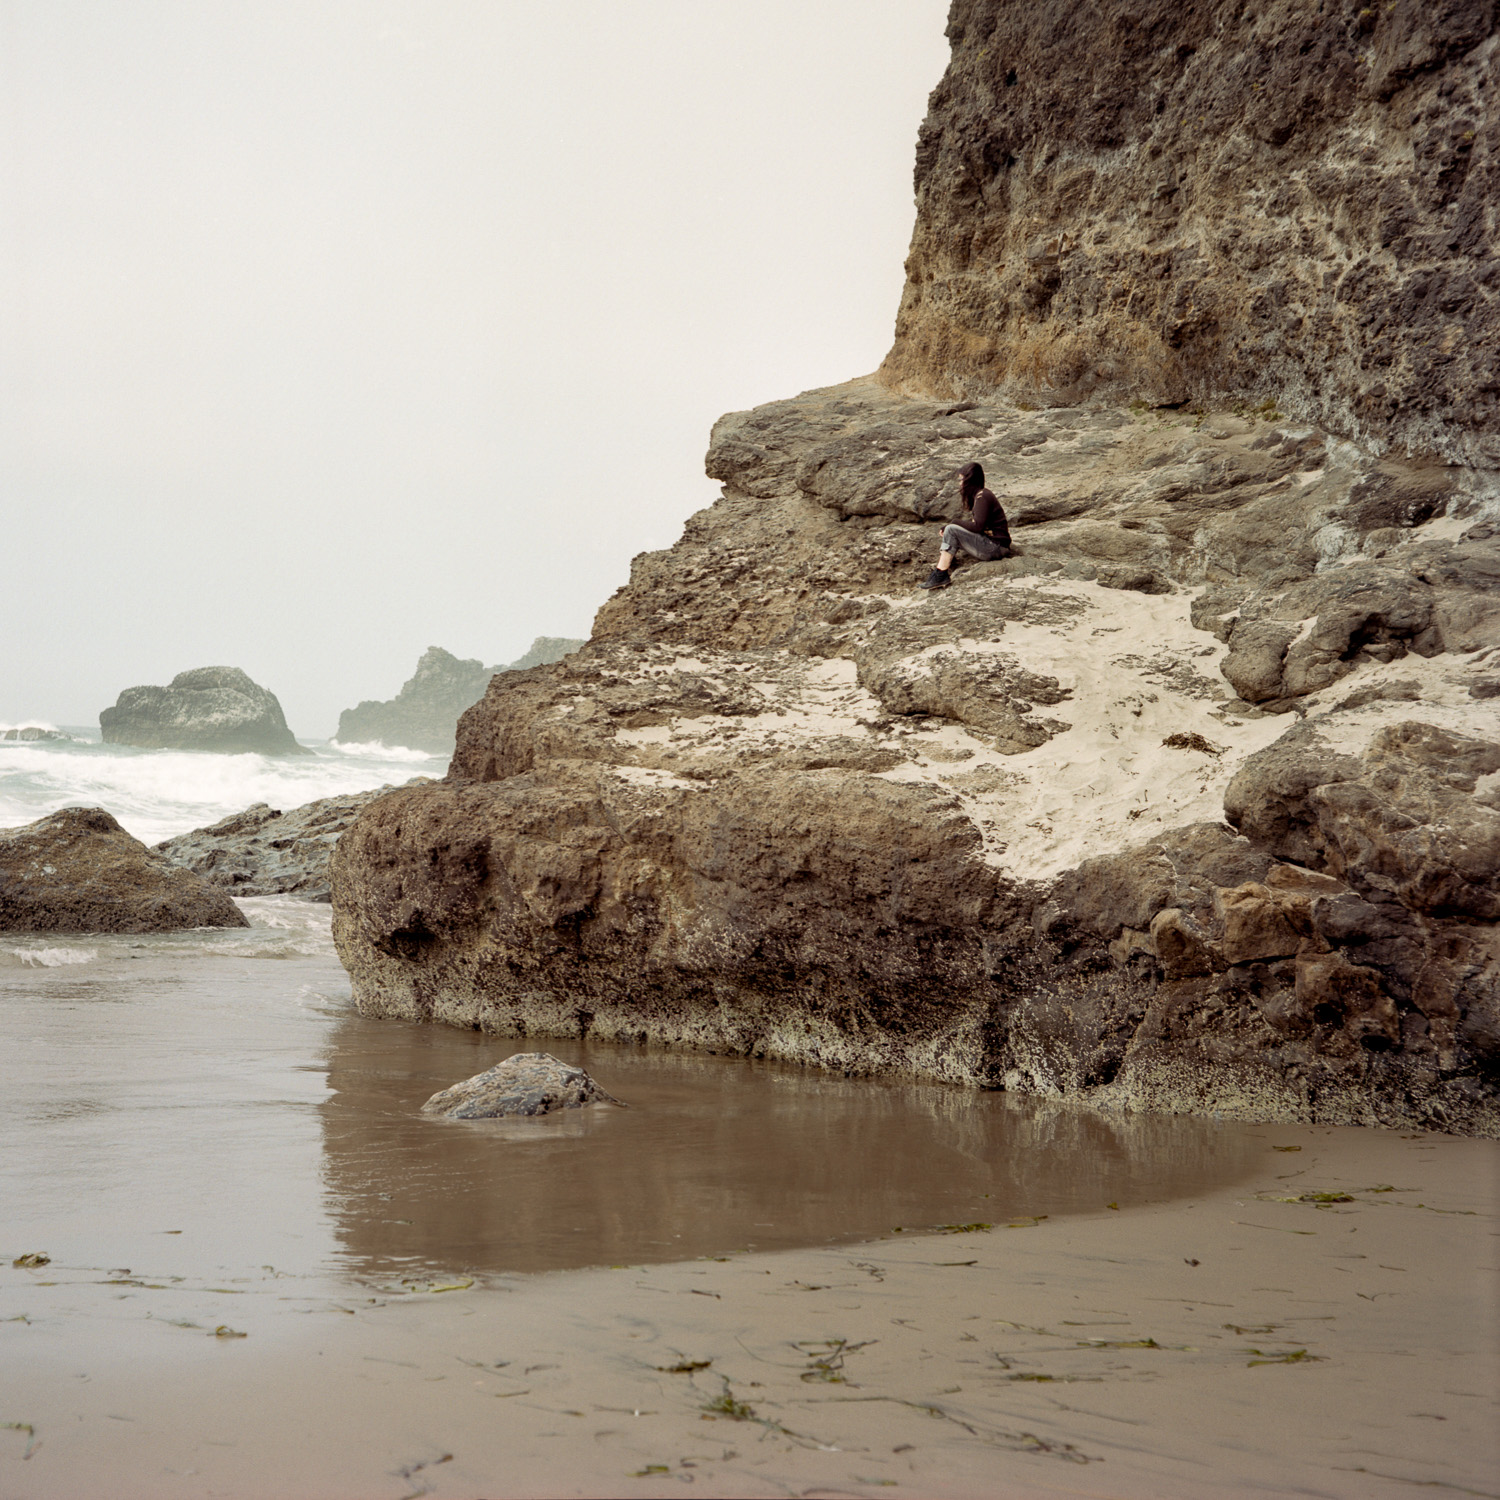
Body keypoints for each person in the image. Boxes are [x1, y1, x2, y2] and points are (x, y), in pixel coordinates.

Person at [920, 461, 1012, 589]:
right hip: (996, 546)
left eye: (961, 480)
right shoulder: (981, 495)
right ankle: (942, 570)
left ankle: (940, 574)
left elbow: (978, 527)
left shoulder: (983, 496)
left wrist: (953, 523)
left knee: (952, 529)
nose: (960, 484)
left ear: (970, 480)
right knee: (951, 530)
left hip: (996, 548)